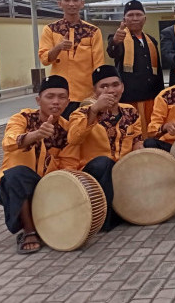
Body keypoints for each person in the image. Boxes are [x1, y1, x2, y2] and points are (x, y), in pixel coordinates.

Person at [0, 75, 78, 253]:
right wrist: (36, 135)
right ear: (39, 100)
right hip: (13, 183)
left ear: (68, 102)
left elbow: (69, 165)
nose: (56, 102)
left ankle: (42, 219)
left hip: (46, 185)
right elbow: (9, 141)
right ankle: (29, 231)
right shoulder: (22, 118)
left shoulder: (68, 130)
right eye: (50, 96)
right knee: (17, 174)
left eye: (61, 97)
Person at [67, 65, 142, 231]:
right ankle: (104, 216)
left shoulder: (131, 111)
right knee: (104, 162)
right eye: (104, 86)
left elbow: (137, 140)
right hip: (95, 173)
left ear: (122, 86)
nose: (110, 90)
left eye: (115, 85)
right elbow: (73, 138)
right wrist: (94, 110)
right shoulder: (80, 113)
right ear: (95, 91)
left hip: (123, 170)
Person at [38, 0, 104, 118]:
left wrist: (99, 93)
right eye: (67, 0)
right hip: (59, 96)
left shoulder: (93, 31)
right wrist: (58, 47)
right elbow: (44, 59)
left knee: (85, 133)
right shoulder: (50, 29)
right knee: (60, 133)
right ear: (59, 3)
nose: (71, 4)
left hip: (86, 95)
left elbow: (99, 64)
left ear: (82, 3)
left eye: (75, 0)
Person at [106, 0, 164, 136]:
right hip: (129, 98)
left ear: (145, 18)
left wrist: (161, 93)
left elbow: (158, 70)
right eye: (130, 15)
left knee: (152, 133)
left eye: (138, 14)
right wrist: (115, 41)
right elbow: (112, 51)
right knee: (131, 134)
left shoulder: (151, 40)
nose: (135, 18)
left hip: (151, 96)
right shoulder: (118, 37)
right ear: (124, 19)